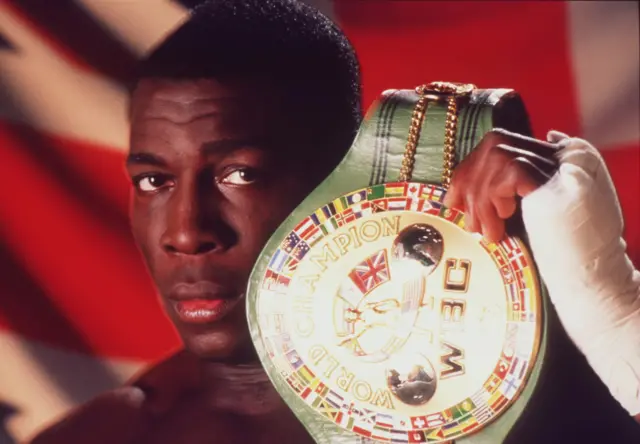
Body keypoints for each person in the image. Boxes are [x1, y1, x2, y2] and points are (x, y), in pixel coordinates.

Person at [28, 1, 639, 443]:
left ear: (339, 176)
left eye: (240, 174)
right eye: (153, 181)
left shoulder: (509, 364)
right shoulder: (107, 433)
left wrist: (597, 293)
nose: (186, 233)